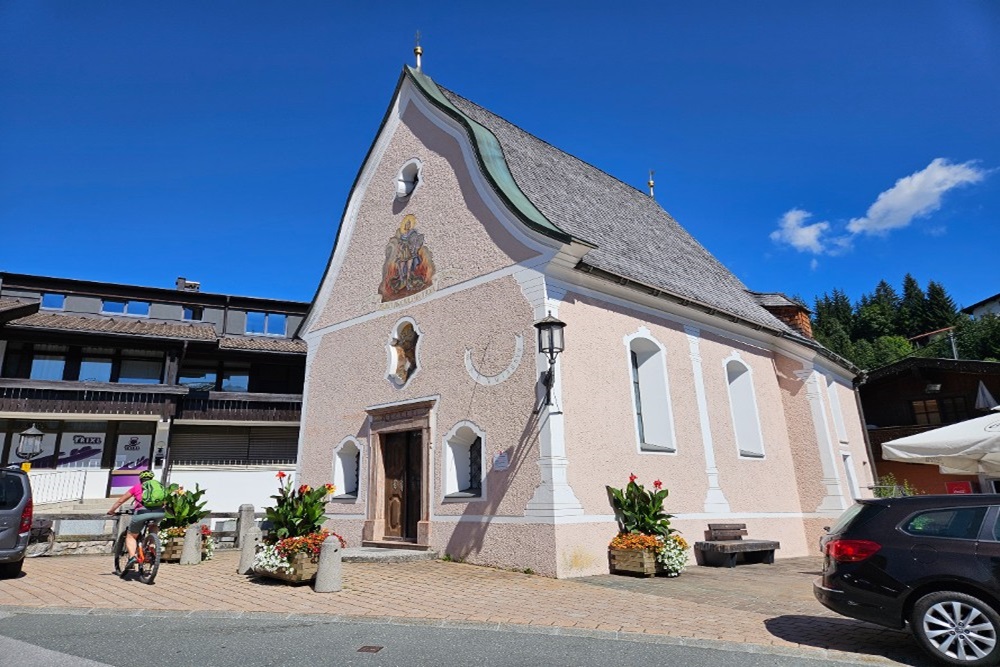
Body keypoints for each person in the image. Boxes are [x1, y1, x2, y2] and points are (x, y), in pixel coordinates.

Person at [107, 470, 165, 574]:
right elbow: (165, 502)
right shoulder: (159, 487)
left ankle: (132, 557)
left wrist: (112, 511)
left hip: (142, 513)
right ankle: (152, 544)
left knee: (131, 535)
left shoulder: (136, 487)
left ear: (140, 479)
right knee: (154, 524)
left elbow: (121, 501)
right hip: (159, 513)